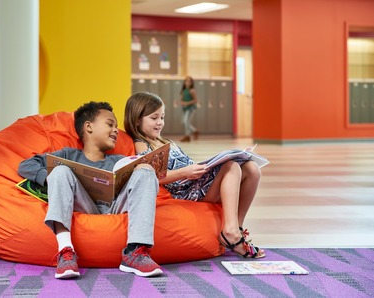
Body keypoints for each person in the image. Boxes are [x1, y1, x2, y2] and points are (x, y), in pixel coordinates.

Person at [18, 101, 163, 279]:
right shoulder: (68, 154)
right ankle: (65, 250)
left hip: (114, 206)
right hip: (83, 205)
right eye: (110, 124)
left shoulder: (118, 159)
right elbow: (26, 165)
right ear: (88, 127)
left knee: (146, 171)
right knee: (60, 170)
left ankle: (135, 252)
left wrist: (142, 169)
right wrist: (48, 177)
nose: (116, 130)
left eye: (117, 126)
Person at [124, 92, 265, 259]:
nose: (160, 123)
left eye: (162, 117)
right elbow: (153, 175)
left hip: (196, 181)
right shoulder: (141, 144)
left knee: (252, 168)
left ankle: (237, 228)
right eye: (154, 118)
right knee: (231, 167)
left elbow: (188, 163)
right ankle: (230, 232)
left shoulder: (165, 141)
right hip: (186, 191)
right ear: (137, 120)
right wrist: (184, 172)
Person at [179, 76, 199, 142]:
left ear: (191, 83)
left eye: (189, 81)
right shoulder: (183, 91)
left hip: (190, 108)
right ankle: (194, 131)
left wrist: (187, 103)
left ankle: (187, 136)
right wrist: (182, 102)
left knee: (186, 122)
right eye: (186, 81)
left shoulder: (192, 91)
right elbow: (182, 99)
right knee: (184, 122)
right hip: (185, 109)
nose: (188, 83)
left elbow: (195, 100)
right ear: (184, 82)